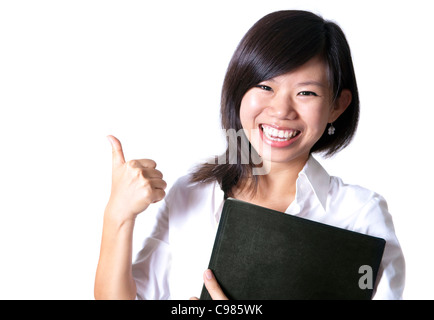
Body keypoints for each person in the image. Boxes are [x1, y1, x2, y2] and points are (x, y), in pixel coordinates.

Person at [94, 10, 405, 300]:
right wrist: (118, 215)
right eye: (264, 86)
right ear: (239, 88)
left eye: (306, 92)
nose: (281, 110)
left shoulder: (360, 216)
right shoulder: (192, 193)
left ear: (337, 105)